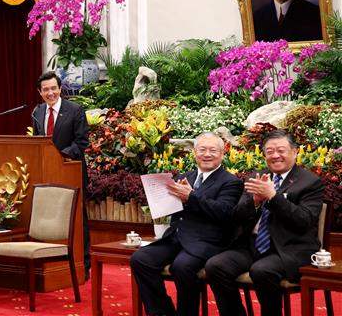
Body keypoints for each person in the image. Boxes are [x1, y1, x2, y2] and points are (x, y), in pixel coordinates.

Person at [205, 130, 324, 316]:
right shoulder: (256, 177)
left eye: (281, 150)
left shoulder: (309, 182)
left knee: (262, 270)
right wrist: (255, 201)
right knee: (216, 266)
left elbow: (304, 220)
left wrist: (273, 197)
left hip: (289, 248)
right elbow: (236, 216)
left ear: (295, 152)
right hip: (252, 246)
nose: (275, 155)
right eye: (270, 151)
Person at [130, 132, 243, 316]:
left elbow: (224, 212)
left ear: (222, 154)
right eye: (202, 150)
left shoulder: (231, 182)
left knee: (182, 266)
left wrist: (191, 196)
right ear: (195, 153)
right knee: (140, 259)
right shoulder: (184, 177)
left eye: (213, 150)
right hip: (177, 237)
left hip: (207, 241)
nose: (207, 154)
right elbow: (174, 209)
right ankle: (163, 313)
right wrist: (160, 200)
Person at [31, 71, 91, 273]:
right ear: (40, 92)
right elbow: (37, 142)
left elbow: (82, 142)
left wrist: (58, 157)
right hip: (46, 174)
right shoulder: (38, 112)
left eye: (53, 88)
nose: (50, 93)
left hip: (70, 171)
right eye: (46, 89)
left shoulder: (75, 110)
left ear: (60, 89)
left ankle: (83, 263)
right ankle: (53, 263)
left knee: (77, 218)